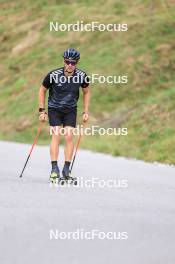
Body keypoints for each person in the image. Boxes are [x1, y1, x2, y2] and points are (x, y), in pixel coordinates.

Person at [38, 48, 90, 182]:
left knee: (68, 136)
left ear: (77, 63)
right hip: (54, 109)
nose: (70, 65)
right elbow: (42, 90)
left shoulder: (82, 76)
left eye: (73, 63)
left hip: (70, 110)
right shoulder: (53, 75)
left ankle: (66, 169)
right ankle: (54, 169)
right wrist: (42, 111)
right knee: (56, 134)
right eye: (67, 62)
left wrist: (85, 111)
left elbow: (86, 92)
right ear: (64, 61)